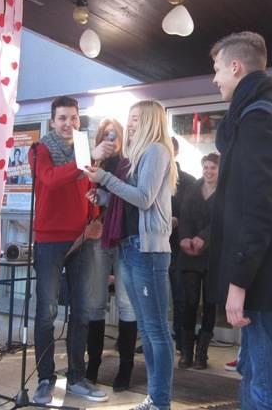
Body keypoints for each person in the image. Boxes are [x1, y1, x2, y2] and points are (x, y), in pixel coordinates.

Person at [207, 31, 272, 410]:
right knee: (256, 377)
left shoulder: (257, 121)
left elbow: (258, 209)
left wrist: (238, 281)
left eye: (218, 69)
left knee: (267, 388)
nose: (215, 79)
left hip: (264, 278)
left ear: (236, 67)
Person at [85, 100, 178, 410]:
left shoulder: (156, 151)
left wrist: (105, 179)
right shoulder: (137, 155)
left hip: (147, 249)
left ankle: (160, 401)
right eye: (130, 118)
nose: (131, 124)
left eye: (136, 118)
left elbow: (144, 198)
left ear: (151, 120)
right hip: (129, 245)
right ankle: (155, 398)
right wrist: (103, 196)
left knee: (156, 331)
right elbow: (128, 202)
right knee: (148, 330)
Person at [29, 96, 108, 404]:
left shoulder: (85, 149)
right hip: (49, 239)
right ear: (52, 122)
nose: (68, 123)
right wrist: (83, 161)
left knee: (82, 311)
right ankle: (45, 379)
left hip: (83, 237)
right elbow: (50, 181)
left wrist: (96, 216)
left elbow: (89, 188)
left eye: (73, 118)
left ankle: (76, 377)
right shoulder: (40, 149)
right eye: (62, 118)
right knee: (46, 313)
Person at [84, 118, 138, 392]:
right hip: (97, 237)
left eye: (115, 134)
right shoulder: (92, 163)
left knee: (127, 304)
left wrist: (105, 197)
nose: (111, 139)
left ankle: (125, 368)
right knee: (95, 302)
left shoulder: (130, 164)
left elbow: (134, 198)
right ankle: (93, 365)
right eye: (106, 134)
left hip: (124, 237)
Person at [177, 152, 219, 370]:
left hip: (214, 256)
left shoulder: (225, 192)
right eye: (206, 167)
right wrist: (184, 238)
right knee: (190, 302)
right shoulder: (193, 188)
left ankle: (202, 353)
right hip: (191, 255)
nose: (209, 172)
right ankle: (186, 352)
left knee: (210, 304)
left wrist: (204, 237)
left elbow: (223, 221)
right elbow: (184, 216)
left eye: (213, 168)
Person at [169, 137, 196, 355]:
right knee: (156, 296)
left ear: (176, 152)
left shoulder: (188, 181)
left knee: (180, 294)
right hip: (154, 243)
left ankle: (181, 339)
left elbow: (192, 213)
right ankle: (157, 337)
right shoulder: (152, 176)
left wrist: (178, 219)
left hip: (179, 245)